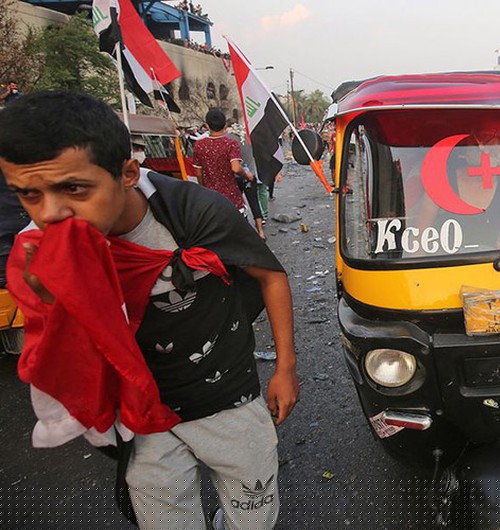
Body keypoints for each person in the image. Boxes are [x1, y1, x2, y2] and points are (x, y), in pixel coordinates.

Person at [0, 90, 299, 530]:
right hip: (142, 415)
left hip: (226, 397)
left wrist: (285, 368)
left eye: (74, 188)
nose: (50, 214)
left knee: (252, 517)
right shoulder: (40, 251)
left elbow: (271, 276)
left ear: (127, 173)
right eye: (29, 194)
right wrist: (51, 298)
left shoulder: (193, 212)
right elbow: (69, 349)